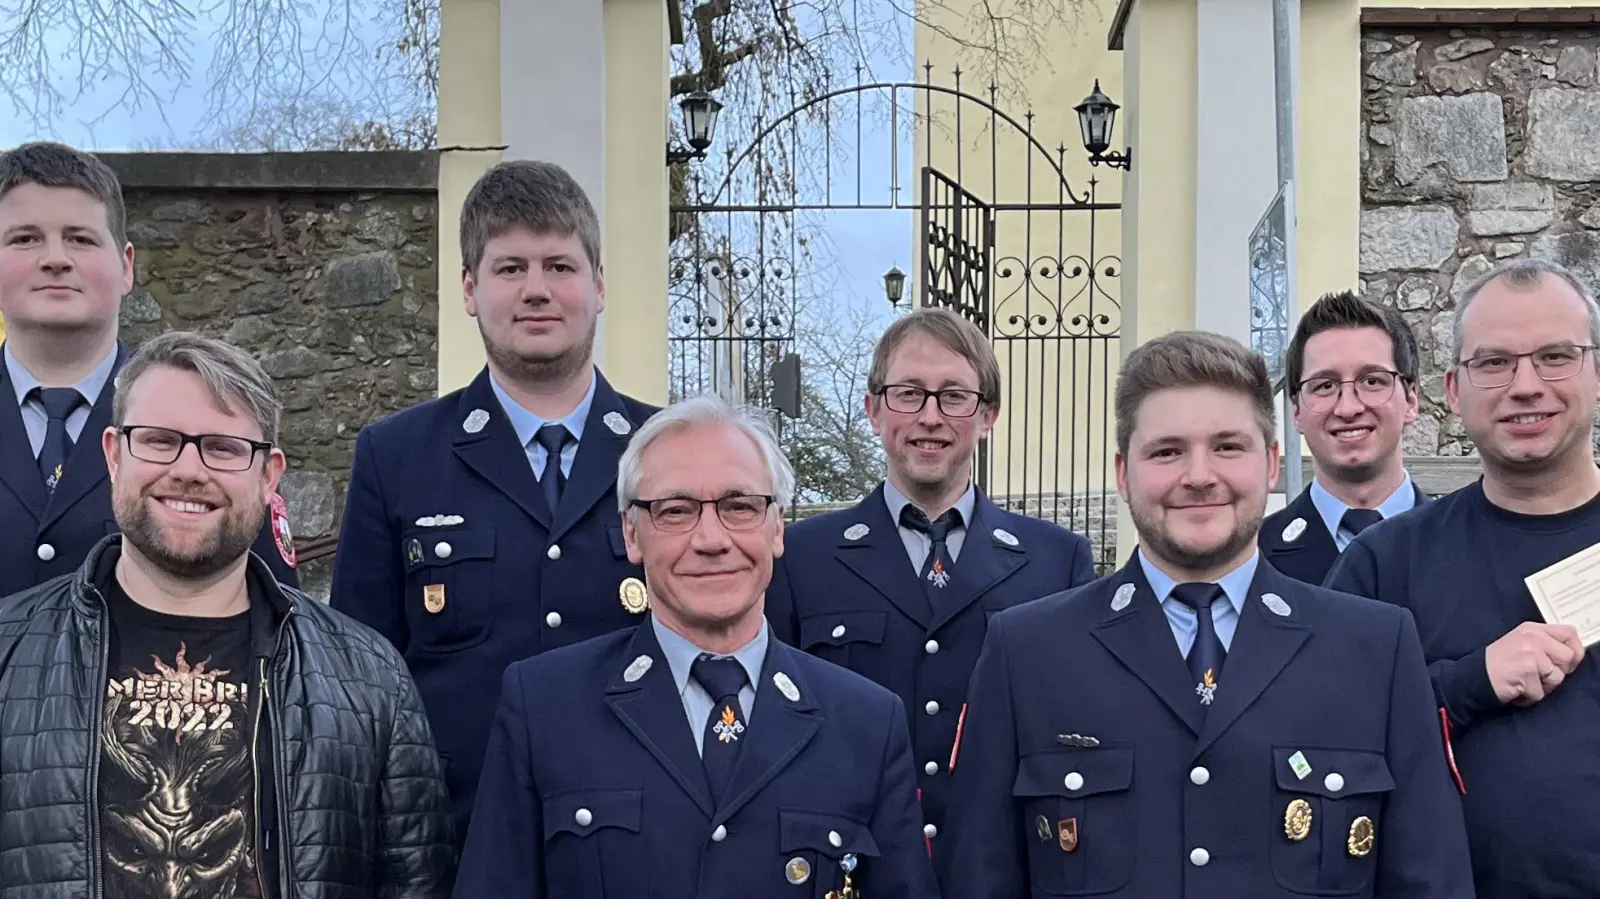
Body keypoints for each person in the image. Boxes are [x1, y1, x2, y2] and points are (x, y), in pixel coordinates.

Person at [939, 330, 1473, 898]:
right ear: (1123, 473)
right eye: (1167, 451)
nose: (1198, 475)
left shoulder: (1375, 650)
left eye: (1228, 447)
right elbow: (979, 879)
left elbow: (1430, 881)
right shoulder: (1027, 654)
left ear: (1271, 463)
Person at [0, 331, 453, 898]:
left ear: (269, 475)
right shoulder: (8, 653)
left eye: (223, 447)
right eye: (160, 440)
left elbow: (417, 885)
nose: (189, 469)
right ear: (114, 455)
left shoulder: (370, 679)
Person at [454, 394, 939, 899]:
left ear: (777, 527)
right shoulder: (545, 707)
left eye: (740, 507)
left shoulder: (866, 723)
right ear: (631, 533)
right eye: (676, 510)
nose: (711, 539)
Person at [329, 158, 658, 842]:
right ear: (469, 289)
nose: (537, 289)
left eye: (560, 266)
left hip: (642, 839)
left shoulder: (668, 453)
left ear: (598, 285)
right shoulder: (397, 456)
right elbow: (360, 683)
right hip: (457, 842)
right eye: (510, 268)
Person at [764, 306, 1096, 852]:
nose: (930, 416)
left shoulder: (1055, 563)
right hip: (853, 860)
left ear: (987, 416)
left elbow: (1070, 734)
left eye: (954, 396)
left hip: (997, 864)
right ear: (873, 410)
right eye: (909, 393)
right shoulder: (800, 558)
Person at [1326, 257, 1600, 898]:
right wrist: (1467, 683)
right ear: (1453, 390)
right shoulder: (1382, 564)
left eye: (1555, 357)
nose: (1526, 386)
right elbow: (1315, 738)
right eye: (1494, 362)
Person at [0, 140, 299, 598]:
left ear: (126, 267)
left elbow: (272, 608)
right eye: (25, 238)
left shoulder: (209, 412)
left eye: (81, 238)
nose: (55, 259)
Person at [1261, 291, 1429, 584]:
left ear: (1411, 400)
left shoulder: (1473, 547)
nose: (1348, 408)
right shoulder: (1251, 559)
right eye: (1325, 386)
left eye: (1372, 381)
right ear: (1296, 411)